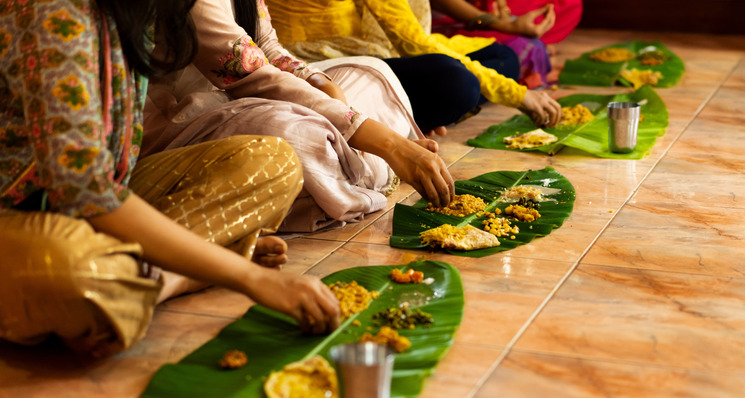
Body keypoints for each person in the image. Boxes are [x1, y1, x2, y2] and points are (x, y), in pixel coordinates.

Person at [0, 0, 341, 357]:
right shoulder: (54, 9)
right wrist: (250, 277)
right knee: (75, 274)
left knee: (274, 160)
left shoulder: (136, 12)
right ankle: (188, 269)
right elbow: (86, 193)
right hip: (23, 214)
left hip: (102, 204)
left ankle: (161, 277)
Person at [142, 0, 455, 232]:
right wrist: (389, 143)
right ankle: (367, 162)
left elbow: (267, 47)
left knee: (373, 73)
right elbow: (252, 75)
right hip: (185, 117)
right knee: (294, 134)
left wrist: (322, 84)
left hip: (251, 96)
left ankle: (347, 167)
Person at [265, 0, 562, 129]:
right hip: (324, 65)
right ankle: (403, 116)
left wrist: (500, 22)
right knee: (459, 85)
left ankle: (408, 110)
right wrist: (517, 94)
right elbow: (411, 41)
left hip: (372, 45)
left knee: (503, 58)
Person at [429, 0, 583, 87]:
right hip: (447, 18)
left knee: (571, 4)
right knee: (511, 58)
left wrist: (502, 9)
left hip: (489, 13)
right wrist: (504, 25)